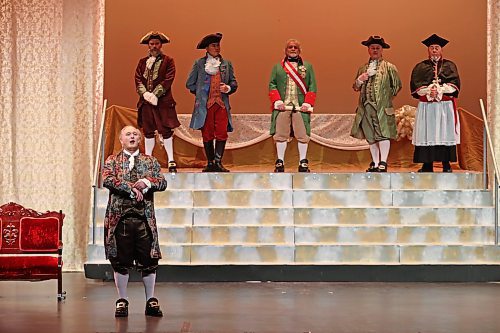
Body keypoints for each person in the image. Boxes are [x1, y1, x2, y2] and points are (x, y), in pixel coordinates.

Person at [102, 125, 167, 318]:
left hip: (143, 218)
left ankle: (150, 300)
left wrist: (147, 182)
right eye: (128, 134)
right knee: (120, 260)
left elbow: (162, 182)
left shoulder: (150, 161)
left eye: (135, 134)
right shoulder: (112, 160)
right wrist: (131, 188)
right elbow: (108, 179)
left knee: (148, 259)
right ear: (121, 139)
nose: (132, 137)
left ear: (140, 139)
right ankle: (122, 299)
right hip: (120, 218)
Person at [186, 32, 238, 172]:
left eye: (218, 45)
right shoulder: (199, 64)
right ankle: (210, 162)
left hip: (221, 104)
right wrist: (201, 94)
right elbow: (190, 84)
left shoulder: (226, 64)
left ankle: (218, 162)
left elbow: (233, 82)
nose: (217, 48)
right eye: (213, 45)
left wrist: (228, 88)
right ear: (207, 48)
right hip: (205, 105)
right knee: (207, 133)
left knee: (221, 132)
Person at [351, 36, 402, 172]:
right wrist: (360, 80)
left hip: (382, 108)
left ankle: (383, 162)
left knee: (383, 134)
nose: (375, 50)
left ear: (382, 50)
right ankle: (375, 162)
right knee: (371, 135)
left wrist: (384, 98)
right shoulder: (363, 68)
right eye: (372, 48)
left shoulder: (389, 67)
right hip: (366, 107)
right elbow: (355, 87)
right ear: (368, 50)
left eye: (377, 48)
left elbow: (397, 86)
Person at [410, 34, 460, 172]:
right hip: (428, 107)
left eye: (436, 47)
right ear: (428, 50)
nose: (434, 50)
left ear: (441, 49)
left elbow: (454, 85)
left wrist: (439, 91)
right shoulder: (420, 67)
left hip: (444, 107)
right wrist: (428, 91)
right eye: (431, 47)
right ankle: (427, 165)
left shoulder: (450, 65)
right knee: (428, 133)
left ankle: (446, 164)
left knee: (444, 133)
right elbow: (416, 86)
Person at [269, 39, 317, 173]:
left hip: (300, 106)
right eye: (290, 47)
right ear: (285, 50)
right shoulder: (277, 67)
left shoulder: (308, 66)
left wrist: (308, 102)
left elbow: (312, 85)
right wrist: (277, 101)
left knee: (302, 134)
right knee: (281, 134)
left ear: (299, 50)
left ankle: (303, 161)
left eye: (295, 47)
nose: (293, 49)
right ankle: (280, 161)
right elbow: (272, 85)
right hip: (283, 106)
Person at [135, 31, 180, 172]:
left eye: (156, 44)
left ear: (161, 45)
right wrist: (145, 94)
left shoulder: (168, 61)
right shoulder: (142, 62)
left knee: (166, 131)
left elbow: (169, 79)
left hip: (164, 103)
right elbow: (137, 79)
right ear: (148, 45)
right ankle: (148, 159)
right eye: (151, 44)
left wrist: (155, 94)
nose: (154, 46)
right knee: (148, 131)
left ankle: (171, 160)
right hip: (146, 102)